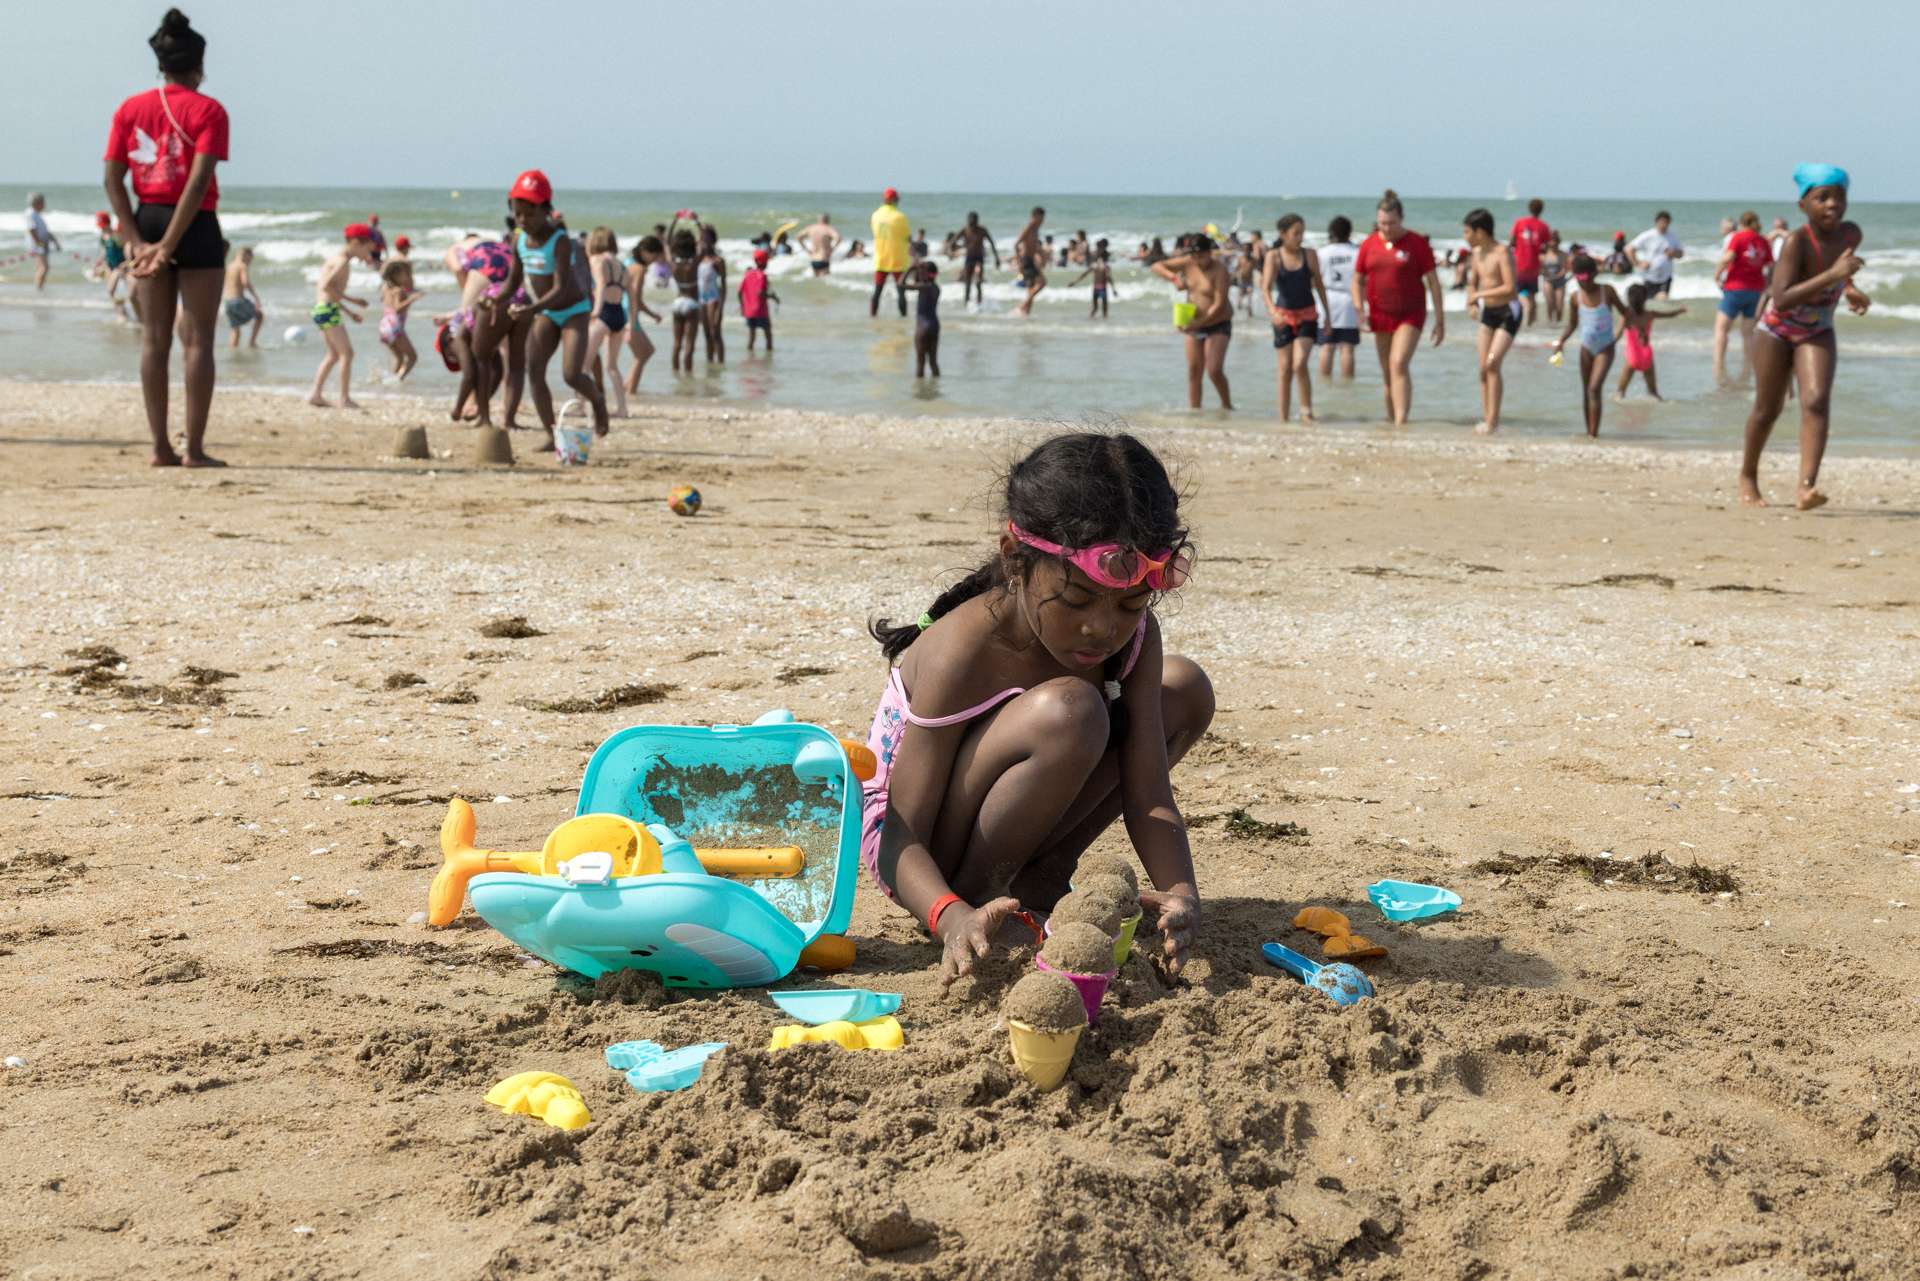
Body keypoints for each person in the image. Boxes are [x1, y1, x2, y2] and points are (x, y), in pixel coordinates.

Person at [860, 432, 1213, 983]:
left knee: (1185, 689)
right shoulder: (967, 648)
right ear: (1016, 561)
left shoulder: (1134, 638)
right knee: (1070, 710)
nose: (1103, 627)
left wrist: (1183, 893)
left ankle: (1042, 876)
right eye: (1075, 600)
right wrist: (947, 914)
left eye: (1131, 604)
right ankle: (982, 896)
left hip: (1014, 805)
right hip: (917, 852)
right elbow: (900, 832)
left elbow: (1149, 795)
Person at [102, 10, 230, 467]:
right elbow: (197, 184)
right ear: (198, 67)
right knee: (199, 342)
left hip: (148, 220)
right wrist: (170, 246)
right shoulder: (209, 110)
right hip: (193, 227)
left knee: (154, 340)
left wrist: (136, 241)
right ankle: (194, 449)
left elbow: (113, 180)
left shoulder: (130, 108)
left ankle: (160, 447)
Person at [1738, 165, 1870, 511]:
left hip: (1818, 328)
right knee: (1768, 408)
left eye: (1839, 197)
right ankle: (1748, 475)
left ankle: (1806, 488)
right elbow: (1781, 297)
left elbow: (1842, 271)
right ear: (1803, 205)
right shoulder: (1796, 242)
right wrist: (1833, 275)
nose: (1832, 204)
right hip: (1776, 329)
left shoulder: (1850, 234)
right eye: (1822, 197)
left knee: (1816, 401)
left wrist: (1850, 288)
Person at [499, 169, 608, 450]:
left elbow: (560, 287)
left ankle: (597, 399)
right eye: (518, 213)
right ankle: (552, 434)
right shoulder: (519, 240)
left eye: (531, 214)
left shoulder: (558, 240)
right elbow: (512, 282)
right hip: (546, 314)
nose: (524, 220)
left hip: (572, 311)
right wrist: (495, 300)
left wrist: (530, 309)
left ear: (547, 210)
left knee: (571, 374)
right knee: (534, 371)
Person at [1352, 189, 1443, 425]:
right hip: (1380, 314)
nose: (1386, 228)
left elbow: (1433, 281)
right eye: (1382, 223)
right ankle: (1391, 419)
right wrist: (1359, 309)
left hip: (1411, 313)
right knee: (1387, 371)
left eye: (1391, 223)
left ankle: (1402, 421)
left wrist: (1440, 320)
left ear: (1401, 219)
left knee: (1398, 363)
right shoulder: (1369, 244)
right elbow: (1357, 278)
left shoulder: (1417, 243)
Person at [1550, 254, 1630, 438]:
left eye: (1585, 278)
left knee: (1594, 388)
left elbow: (1626, 313)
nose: (1582, 283)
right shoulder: (1575, 298)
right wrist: (1561, 341)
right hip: (1586, 348)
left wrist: (1618, 335)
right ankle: (1588, 432)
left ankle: (1594, 435)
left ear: (1594, 274)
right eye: (1578, 279)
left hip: (1605, 347)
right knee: (1586, 391)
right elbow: (1572, 324)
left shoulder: (1606, 292)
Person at [1262, 214, 1330, 423]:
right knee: (1284, 369)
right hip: (1283, 315)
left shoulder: (1309, 255)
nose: (1300, 237)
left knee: (1299, 364)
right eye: (1295, 233)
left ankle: (1306, 410)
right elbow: (1265, 288)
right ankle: (1283, 417)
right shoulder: (1274, 256)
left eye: (1302, 232)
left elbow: (1319, 284)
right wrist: (1273, 312)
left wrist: (1328, 316)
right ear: (1283, 234)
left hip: (1308, 314)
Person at [1152, 234, 1234, 410]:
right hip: (1194, 322)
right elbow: (1156, 266)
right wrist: (1174, 278)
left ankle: (1227, 406)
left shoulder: (1220, 270)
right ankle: (1195, 411)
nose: (1198, 260)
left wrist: (1200, 322)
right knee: (1194, 370)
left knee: (1214, 370)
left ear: (1210, 252)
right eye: (1195, 256)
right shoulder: (1188, 262)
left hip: (1218, 323)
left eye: (1202, 256)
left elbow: (1219, 304)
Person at [1462, 208, 1517, 434]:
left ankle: (1493, 421)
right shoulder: (1476, 254)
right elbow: (1473, 283)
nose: (1465, 236)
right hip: (1489, 313)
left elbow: (1510, 288)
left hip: (1508, 311)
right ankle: (1487, 418)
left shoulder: (1502, 252)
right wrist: (1472, 300)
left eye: (1467, 231)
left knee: (1493, 364)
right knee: (1483, 368)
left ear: (1480, 232)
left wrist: (1478, 296)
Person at [306, 223, 373, 408]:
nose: (367, 255)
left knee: (334, 355)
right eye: (366, 249)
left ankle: (315, 394)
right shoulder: (342, 261)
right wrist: (354, 301)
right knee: (347, 354)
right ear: (355, 243)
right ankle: (344, 398)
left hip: (323, 308)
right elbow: (327, 286)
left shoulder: (337, 259)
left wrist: (350, 313)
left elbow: (329, 293)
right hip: (327, 309)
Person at [1713, 210, 1773, 386]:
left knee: (1721, 329)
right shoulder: (1763, 241)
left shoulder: (1738, 237)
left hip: (1735, 288)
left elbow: (1729, 257)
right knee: (1748, 333)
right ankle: (1747, 366)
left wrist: (1716, 274)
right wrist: (1767, 285)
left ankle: (1718, 365)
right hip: (1756, 290)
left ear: (1741, 223)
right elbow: (1771, 265)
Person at [579, 227, 629, 416]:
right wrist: (631, 321)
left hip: (604, 313)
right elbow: (628, 295)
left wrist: (595, 311)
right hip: (619, 314)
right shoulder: (622, 265)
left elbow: (600, 286)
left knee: (584, 364)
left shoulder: (597, 260)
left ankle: (580, 406)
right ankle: (622, 408)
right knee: (612, 367)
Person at [1614, 283, 1686, 401]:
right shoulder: (1650, 314)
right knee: (1653, 393)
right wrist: (1679, 310)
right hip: (1647, 356)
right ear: (1645, 299)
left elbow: (1618, 334)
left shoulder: (1627, 316)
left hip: (1632, 357)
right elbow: (1669, 315)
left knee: (1620, 392)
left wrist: (1607, 346)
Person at [1315, 216, 1360, 382]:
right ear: (1349, 232)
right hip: (1349, 298)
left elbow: (1314, 278)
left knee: (1326, 346)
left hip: (1327, 297)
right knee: (1347, 347)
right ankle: (1347, 383)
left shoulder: (1322, 252)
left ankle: (1324, 381)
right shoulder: (1357, 252)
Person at [623, 236, 665, 395]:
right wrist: (651, 316)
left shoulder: (627, 263)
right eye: (654, 256)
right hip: (629, 314)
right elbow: (635, 299)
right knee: (643, 354)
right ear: (645, 252)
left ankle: (627, 385)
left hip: (621, 311)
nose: (654, 261)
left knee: (646, 352)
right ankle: (630, 391)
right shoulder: (640, 269)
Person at [377, 258, 425, 380]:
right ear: (396, 276)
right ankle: (398, 379)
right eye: (406, 274)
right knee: (413, 357)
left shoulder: (386, 289)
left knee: (399, 357)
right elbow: (397, 309)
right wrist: (412, 299)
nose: (409, 277)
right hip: (394, 326)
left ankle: (390, 379)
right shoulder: (399, 291)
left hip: (384, 326)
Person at [665, 221, 703, 373]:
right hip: (691, 303)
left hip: (677, 303)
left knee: (676, 344)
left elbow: (667, 244)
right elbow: (703, 242)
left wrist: (673, 223)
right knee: (689, 345)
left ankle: (675, 373)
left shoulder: (674, 265)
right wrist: (697, 223)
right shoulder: (693, 265)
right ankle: (687, 376)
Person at [870, 188, 911, 317]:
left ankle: (873, 317)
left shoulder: (875, 215)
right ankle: (903, 318)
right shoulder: (899, 217)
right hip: (897, 260)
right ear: (894, 200)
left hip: (881, 259)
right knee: (901, 292)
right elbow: (907, 237)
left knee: (877, 291)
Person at [1509, 197, 1550, 328]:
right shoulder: (1544, 227)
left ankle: (1525, 319)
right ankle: (1530, 325)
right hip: (1534, 266)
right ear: (1542, 210)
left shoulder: (1519, 223)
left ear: (1529, 208)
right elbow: (1545, 249)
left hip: (1519, 264)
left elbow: (1512, 242)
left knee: (1520, 293)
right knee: (1532, 295)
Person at [1628, 212, 1684, 297]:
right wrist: (1638, 263)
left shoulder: (1672, 236)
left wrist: (1674, 253)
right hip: (1649, 277)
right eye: (1663, 222)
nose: (1665, 224)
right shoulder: (1648, 235)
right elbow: (1629, 249)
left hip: (1666, 277)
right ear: (1657, 222)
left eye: (1667, 222)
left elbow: (1681, 254)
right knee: (1649, 302)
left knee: (1663, 299)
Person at [901, 260, 941, 377]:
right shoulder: (936, 288)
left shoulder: (923, 287)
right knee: (933, 362)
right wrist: (918, 270)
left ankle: (920, 393)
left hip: (922, 328)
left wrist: (909, 269)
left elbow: (900, 285)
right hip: (935, 326)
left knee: (920, 363)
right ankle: (936, 389)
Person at [221, 244, 262, 348]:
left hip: (227, 302)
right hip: (237, 300)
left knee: (235, 329)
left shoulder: (229, 266)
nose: (249, 262)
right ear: (246, 256)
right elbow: (245, 282)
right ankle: (252, 343)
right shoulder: (242, 266)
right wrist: (256, 297)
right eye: (250, 259)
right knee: (259, 316)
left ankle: (233, 349)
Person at [740, 247, 779, 353]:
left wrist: (742, 307)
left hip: (749, 311)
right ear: (765, 262)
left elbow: (740, 292)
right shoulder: (762, 276)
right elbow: (761, 293)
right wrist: (773, 297)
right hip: (761, 311)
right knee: (768, 336)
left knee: (751, 337)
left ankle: (749, 355)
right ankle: (769, 357)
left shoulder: (747, 274)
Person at [957, 212, 998, 306]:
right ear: (968, 221)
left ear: (977, 221)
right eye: (971, 222)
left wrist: (997, 258)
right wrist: (957, 248)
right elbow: (953, 241)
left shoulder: (982, 230)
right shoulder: (965, 230)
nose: (972, 224)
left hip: (979, 258)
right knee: (967, 283)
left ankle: (979, 303)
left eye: (974, 222)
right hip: (969, 258)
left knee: (978, 281)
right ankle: (966, 304)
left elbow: (992, 243)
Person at [1013, 207, 1047, 316]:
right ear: (1036, 216)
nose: (1043, 220)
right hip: (1027, 261)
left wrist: (1041, 254)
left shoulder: (1035, 229)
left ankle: (1025, 313)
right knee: (1042, 283)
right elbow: (1017, 244)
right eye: (1042, 218)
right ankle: (1022, 306)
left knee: (1031, 288)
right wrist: (1019, 262)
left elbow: (1032, 245)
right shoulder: (1030, 227)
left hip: (1031, 260)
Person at [1068, 242, 1117, 319]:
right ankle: (1105, 323)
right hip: (1102, 289)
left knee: (1095, 308)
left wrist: (1074, 282)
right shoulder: (1106, 266)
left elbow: (1084, 275)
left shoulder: (1094, 266)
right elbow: (1109, 278)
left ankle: (1090, 320)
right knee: (1104, 309)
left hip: (1096, 288)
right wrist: (1114, 289)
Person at [23, 194, 58, 291]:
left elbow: (45, 230)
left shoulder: (36, 214)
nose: (44, 205)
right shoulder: (30, 214)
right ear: (36, 203)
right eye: (42, 203)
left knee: (41, 267)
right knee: (44, 267)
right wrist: (38, 243)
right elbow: (31, 229)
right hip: (38, 245)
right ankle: (39, 288)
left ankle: (39, 287)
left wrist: (55, 241)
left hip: (41, 244)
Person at [1540, 232, 1569, 326]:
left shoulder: (1563, 254)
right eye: (1551, 242)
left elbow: (1565, 269)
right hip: (1548, 281)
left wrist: (1558, 276)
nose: (1553, 244)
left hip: (1560, 281)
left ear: (1558, 242)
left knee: (1559, 306)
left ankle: (1558, 324)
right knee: (1550, 304)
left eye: (1555, 242)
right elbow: (1540, 269)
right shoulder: (1543, 255)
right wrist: (1546, 274)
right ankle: (1549, 324)